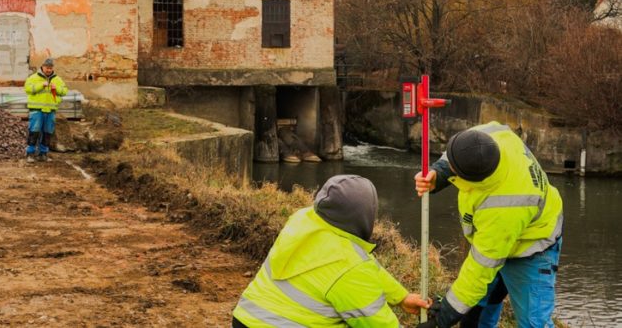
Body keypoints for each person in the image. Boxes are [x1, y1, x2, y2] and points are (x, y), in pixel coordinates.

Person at [414, 122, 563, 328]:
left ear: (471, 179)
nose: (451, 169)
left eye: (453, 170)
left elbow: (481, 268)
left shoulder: (504, 206)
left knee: (533, 323)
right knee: (476, 314)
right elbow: (461, 149)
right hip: (499, 238)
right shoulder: (490, 137)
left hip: (533, 247)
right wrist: (438, 173)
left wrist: (444, 317)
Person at [232, 174, 430, 327]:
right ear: (364, 217)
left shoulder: (303, 220)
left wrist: (401, 297)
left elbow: (366, 266)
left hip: (245, 318)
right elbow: (377, 323)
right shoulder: (349, 265)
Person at [23, 58, 68, 162]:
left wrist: (56, 88)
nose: (49, 70)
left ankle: (43, 154)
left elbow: (64, 91)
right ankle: (30, 153)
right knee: (34, 131)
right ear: (42, 67)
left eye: (50, 68)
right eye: (47, 68)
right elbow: (28, 89)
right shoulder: (33, 77)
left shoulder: (57, 79)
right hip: (36, 109)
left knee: (48, 132)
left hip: (51, 109)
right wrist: (41, 85)